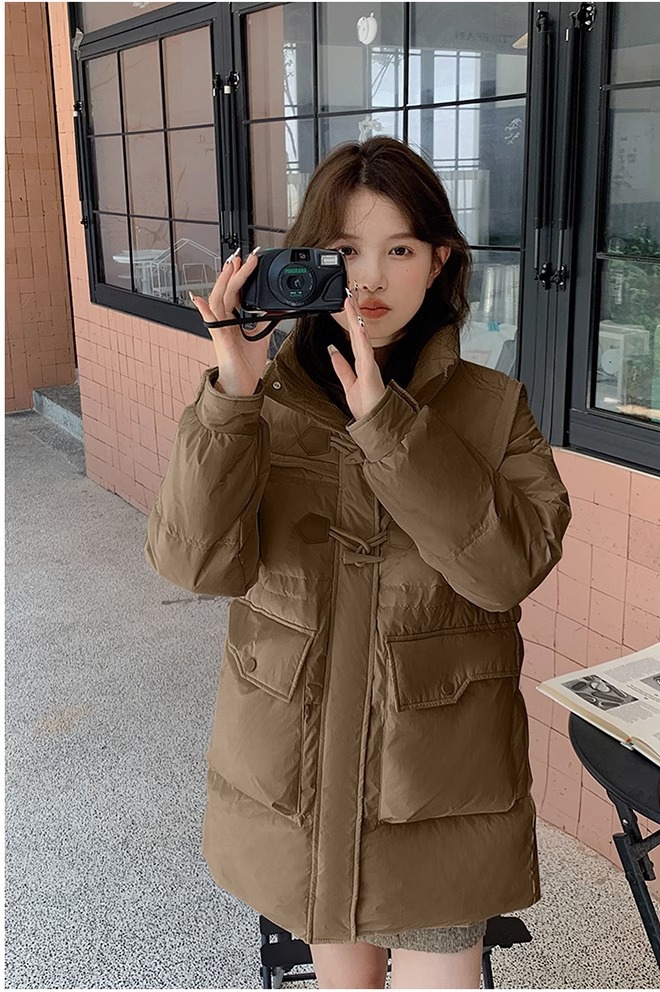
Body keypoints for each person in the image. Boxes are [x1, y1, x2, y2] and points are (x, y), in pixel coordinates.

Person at [144, 136, 572, 989]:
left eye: (400, 249)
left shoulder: (494, 409)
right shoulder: (256, 400)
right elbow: (194, 565)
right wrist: (232, 390)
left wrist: (389, 427)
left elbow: (505, 572)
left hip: (435, 789)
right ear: (305, 258)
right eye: (343, 250)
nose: (370, 279)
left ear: (439, 261)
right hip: (301, 774)